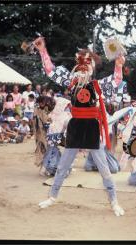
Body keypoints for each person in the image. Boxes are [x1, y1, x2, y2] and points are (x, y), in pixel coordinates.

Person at [33, 36, 125, 216]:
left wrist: (119, 65)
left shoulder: (97, 85)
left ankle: (114, 201)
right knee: (62, 168)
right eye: (80, 62)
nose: (83, 66)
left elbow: (116, 80)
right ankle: (52, 197)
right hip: (75, 128)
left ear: (92, 68)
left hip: (91, 129)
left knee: (105, 170)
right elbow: (50, 70)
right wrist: (42, 50)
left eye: (87, 62)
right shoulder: (71, 82)